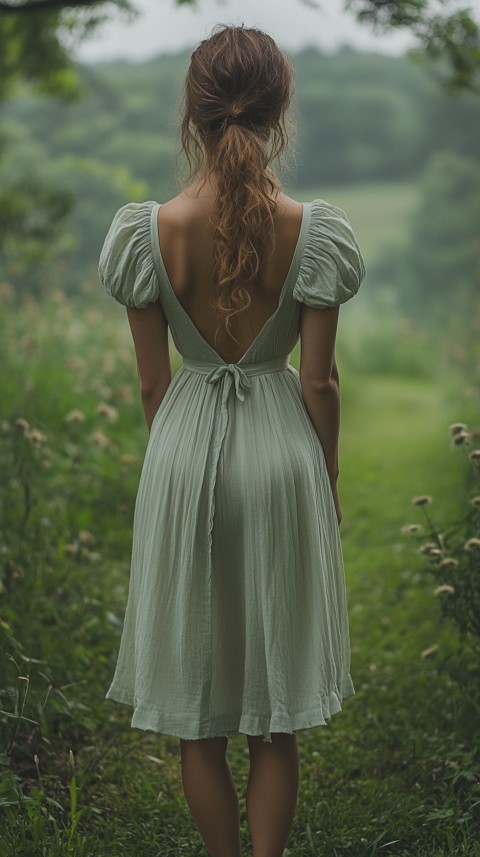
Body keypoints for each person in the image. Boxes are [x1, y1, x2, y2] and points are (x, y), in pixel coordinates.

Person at [99, 23, 365, 857]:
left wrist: (181, 464)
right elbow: (319, 381)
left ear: (194, 113)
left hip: (183, 456)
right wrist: (325, 480)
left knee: (200, 712)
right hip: (283, 455)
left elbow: (152, 383)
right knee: (273, 711)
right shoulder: (314, 231)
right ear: (279, 109)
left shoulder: (148, 232)